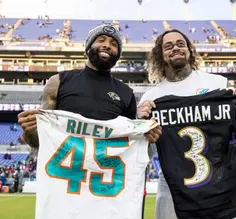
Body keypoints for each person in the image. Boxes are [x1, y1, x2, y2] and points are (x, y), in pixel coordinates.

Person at [137, 29, 236, 219]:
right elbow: (145, 155)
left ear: (189, 50)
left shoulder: (218, 84)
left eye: (180, 43)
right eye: (168, 46)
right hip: (172, 188)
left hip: (218, 186)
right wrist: (141, 128)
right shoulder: (151, 98)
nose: (175, 47)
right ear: (160, 55)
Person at [18, 23, 161, 147]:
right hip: (66, 175)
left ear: (117, 56)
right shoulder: (58, 82)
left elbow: (131, 144)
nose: (106, 45)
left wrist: (148, 135)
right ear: (88, 48)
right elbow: (38, 141)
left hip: (104, 176)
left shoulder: (126, 93)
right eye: (101, 40)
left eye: (113, 44)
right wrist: (29, 131)